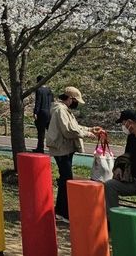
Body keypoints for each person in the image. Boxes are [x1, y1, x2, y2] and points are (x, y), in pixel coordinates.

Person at [46, 86, 101, 223]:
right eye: (76, 101)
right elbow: (69, 130)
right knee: (66, 179)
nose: (77, 104)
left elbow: (74, 126)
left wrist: (89, 129)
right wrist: (87, 134)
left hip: (64, 148)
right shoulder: (60, 110)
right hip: (62, 149)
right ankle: (62, 212)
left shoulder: (63, 110)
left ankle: (61, 210)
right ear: (70, 99)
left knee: (66, 179)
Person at [32, 75, 53, 153]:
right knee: (51, 131)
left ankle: (40, 148)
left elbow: (38, 102)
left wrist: (35, 112)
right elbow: (52, 101)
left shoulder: (39, 90)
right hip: (49, 112)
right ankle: (54, 147)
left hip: (42, 112)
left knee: (41, 131)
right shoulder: (49, 90)